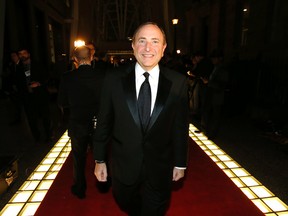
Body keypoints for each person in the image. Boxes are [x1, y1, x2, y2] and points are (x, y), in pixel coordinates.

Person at [93, 22, 189, 215]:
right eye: (142, 41)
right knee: (127, 205)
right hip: (124, 167)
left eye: (155, 41)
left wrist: (180, 162)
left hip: (160, 167)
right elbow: (104, 122)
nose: (148, 48)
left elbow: (180, 127)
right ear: (133, 45)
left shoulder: (178, 82)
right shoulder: (113, 79)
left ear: (163, 48)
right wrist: (99, 159)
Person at [57, 46, 106, 199]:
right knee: (102, 156)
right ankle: (104, 184)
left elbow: (62, 101)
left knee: (78, 157)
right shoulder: (103, 75)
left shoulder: (67, 77)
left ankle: (79, 188)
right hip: (99, 123)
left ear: (75, 59)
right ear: (92, 58)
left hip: (78, 123)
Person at [11, 48, 51, 142]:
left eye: (24, 53)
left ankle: (48, 136)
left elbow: (47, 76)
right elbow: (17, 82)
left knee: (45, 116)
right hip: (27, 97)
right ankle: (36, 137)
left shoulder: (38, 64)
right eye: (20, 54)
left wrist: (39, 83)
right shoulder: (19, 67)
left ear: (28, 54)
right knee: (31, 118)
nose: (22, 55)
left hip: (40, 95)